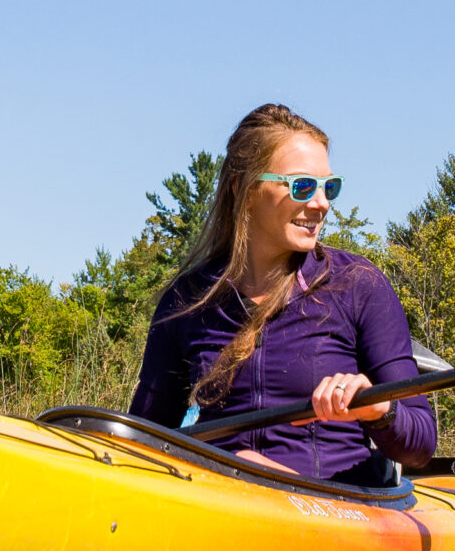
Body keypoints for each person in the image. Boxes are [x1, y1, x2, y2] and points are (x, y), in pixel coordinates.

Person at [130, 104, 437, 483]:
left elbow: (421, 445)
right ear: (242, 188)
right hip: (221, 506)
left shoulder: (360, 286)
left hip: (338, 512)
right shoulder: (188, 300)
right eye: (302, 186)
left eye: (329, 187)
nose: (322, 203)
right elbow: (140, 441)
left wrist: (378, 408)